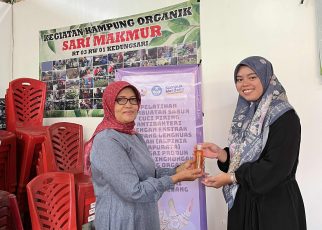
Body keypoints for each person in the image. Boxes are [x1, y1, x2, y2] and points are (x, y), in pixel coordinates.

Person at [200, 56, 306, 230]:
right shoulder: (248, 115)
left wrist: (232, 177)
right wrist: (222, 154)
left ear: (266, 78)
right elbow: (245, 155)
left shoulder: (284, 117)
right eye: (239, 79)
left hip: (273, 207)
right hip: (246, 200)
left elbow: (277, 166)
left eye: (252, 77)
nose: (244, 84)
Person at [84, 81, 202, 230]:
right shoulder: (106, 140)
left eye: (133, 100)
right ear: (109, 104)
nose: (128, 105)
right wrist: (176, 178)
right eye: (120, 99)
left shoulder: (134, 135)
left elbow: (149, 173)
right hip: (121, 221)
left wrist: (178, 170)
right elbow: (134, 191)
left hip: (143, 218)